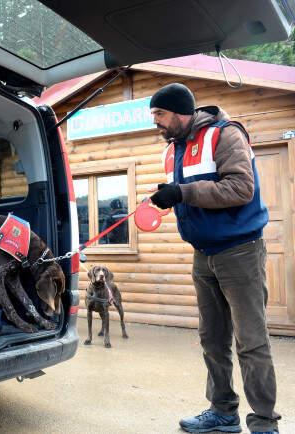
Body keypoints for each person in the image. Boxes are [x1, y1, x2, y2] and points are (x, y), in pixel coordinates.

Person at [149, 83, 280, 434]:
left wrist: (184, 193)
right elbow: (189, 196)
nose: (156, 123)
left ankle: (264, 423)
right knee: (212, 338)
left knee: (251, 340)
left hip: (240, 251)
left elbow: (241, 188)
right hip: (202, 254)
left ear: (179, 112)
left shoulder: (225, 135)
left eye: (159, 114)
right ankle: (222, 412)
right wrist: (170, 197)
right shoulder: (172, 150)